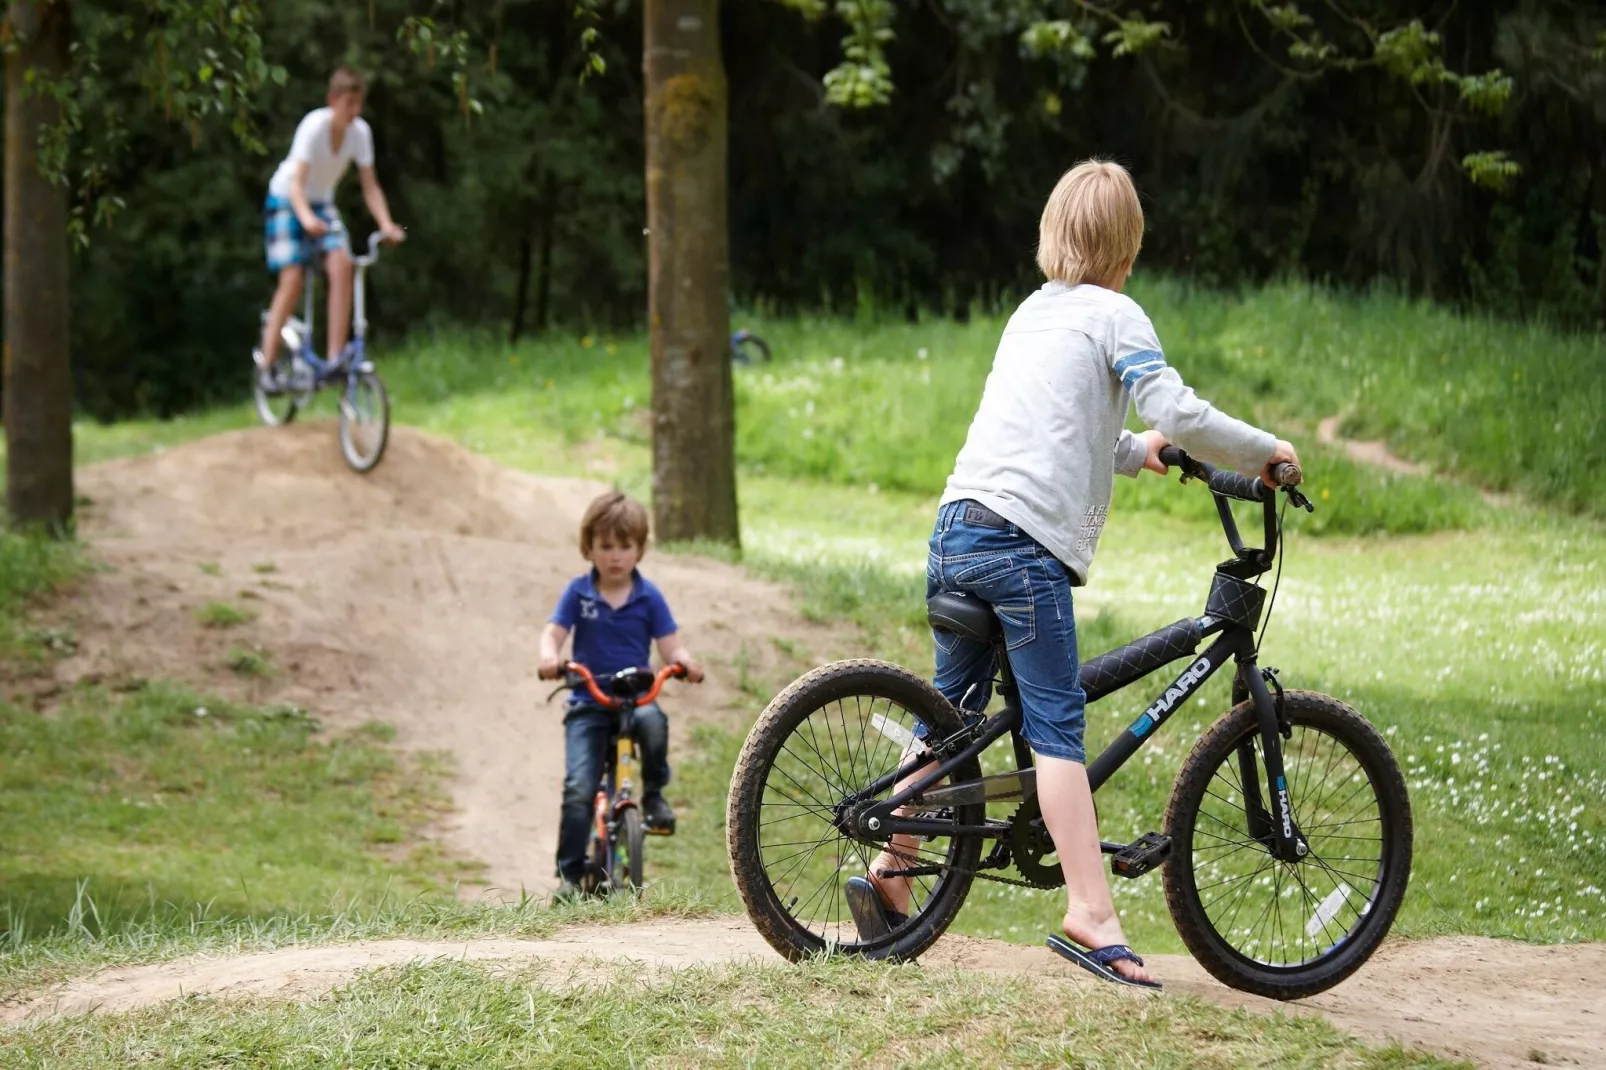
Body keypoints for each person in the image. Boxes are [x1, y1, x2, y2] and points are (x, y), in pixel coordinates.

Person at [844, 159, 1300, 989]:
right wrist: (1264, 451)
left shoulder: (1032, 314)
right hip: (1020, 552)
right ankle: (1092, 916)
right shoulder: (1118, 313)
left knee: (951, 721)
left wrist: (1131, 454)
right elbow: (1177, 409)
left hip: (959, 529)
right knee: (1056, 726)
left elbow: (1051, 428)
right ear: (1127, 247)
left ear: (1055, 235)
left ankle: (893, 870)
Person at [537, 490, 704, 897]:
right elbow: (553, 633)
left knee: (654, 723)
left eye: (625, 547)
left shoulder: (649, 598)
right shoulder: (579, 594)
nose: (615, 556)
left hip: (634, 700)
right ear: (588, 548)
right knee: (579, 787)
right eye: (606, 546)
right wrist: (548, 657)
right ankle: (570, 874)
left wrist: (686, 663)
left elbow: (670, 645)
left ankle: (656, 796)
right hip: (588, 701)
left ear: (640, 550)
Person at [256, 67, 405, 389]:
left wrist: (386, 224)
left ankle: (335, 357)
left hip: (322, 203)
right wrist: (307, 219)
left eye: (359, 104)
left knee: (343, 264)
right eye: (349, 103)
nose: (356, 111)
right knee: (292, 278)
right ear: (333, 100)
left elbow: (370, 186)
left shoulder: (360, 133)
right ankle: (267, 366)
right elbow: (297, 185)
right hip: (287, 198)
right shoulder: (313, 127)